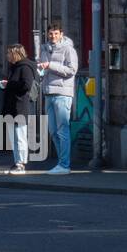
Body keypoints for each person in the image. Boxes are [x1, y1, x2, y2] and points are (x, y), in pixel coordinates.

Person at [38, 22, 78, 174]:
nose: (53, 36)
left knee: (62, 131)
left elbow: (72, 70)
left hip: (62, 94)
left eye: (56, 33)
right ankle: (61, 163)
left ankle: (64, 165)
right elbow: (42, 68)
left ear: (61, 34)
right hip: (48, 93)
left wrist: (50, 65)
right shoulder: (44, 49)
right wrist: (41, 69)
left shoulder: (69, 49)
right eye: (50, 33)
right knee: (53, 131)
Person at [0, 43, 40, 174]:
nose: (7, 55)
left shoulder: (24, 67)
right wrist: (7, 84)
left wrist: (8, 84)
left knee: (20, 136)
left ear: (15, 54)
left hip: (20, 105)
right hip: (12, 105)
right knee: (14, 136)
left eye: (9, 53)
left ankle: (21, 163)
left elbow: (26, 85)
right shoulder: (15, 67)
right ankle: (17, 162)